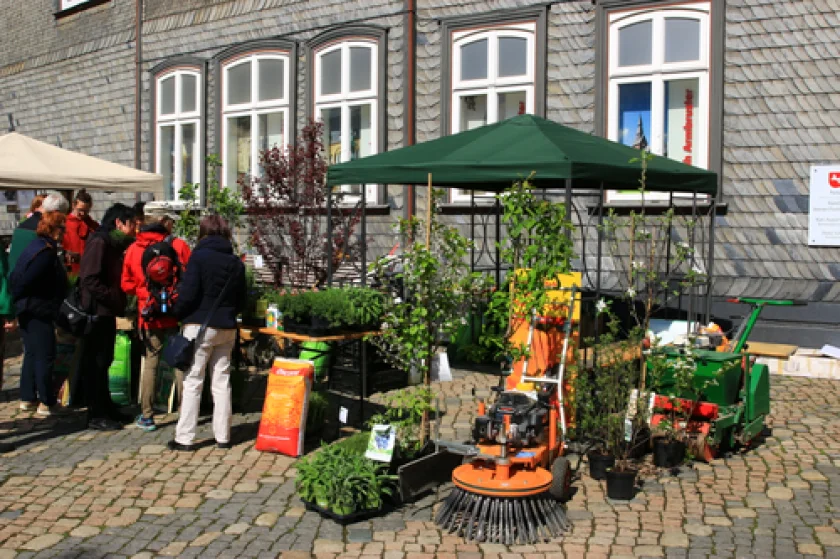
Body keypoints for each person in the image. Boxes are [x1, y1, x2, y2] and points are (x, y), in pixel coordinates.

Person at [168, 216, 246, 451]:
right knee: (222, 382)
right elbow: (242, 300)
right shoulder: (236, 263)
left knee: (193, 381)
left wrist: (177, 312)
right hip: (227, 327)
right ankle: (223, 436)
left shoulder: (199, 257)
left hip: (200, 326)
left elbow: (188, 294)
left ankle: (185, 437)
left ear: (203, 233)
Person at [121, 202, 191, 432]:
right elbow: (190, 278)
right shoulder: (178, 245)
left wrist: (144, 293)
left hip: (149, 314)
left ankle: (147, 415)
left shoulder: (134, 248)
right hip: (174, 312)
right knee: (180, 361)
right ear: (163, 222)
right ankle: (185, 411)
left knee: (151, 363)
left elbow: (125, 284)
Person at [78, 203, 136, 431]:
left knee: (105, 361)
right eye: (131, 224)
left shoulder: (111, 243)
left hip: (106, 312)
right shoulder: (99, 242)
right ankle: (96, 413)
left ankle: (106, 407)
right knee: (96, 363)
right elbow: (89, 279)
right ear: (119, 223)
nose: (134, 230)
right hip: (96, 313)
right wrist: (111, 297)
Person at [9, 212, 69, 416]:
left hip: (28, 307)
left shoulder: (35, 246)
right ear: (54, 229)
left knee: (32, 353)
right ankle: (46, 401)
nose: (64, 233)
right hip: (37, 309)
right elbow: (26, 281)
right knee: (45, 354)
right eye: (62, 228)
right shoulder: (45, 253)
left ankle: (28, 397)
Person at [9, 192, 69, 272]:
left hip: (15, 274)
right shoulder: (44, 229)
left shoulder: (22, 224)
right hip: (31, 275)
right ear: (56, 212)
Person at [63, 189, 100, 278]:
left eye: (86, 211)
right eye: (80, 210)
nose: (82, 213)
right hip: (71, 270)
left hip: (89, 269)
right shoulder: (65, 224)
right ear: (73, 205)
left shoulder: (93, 225)